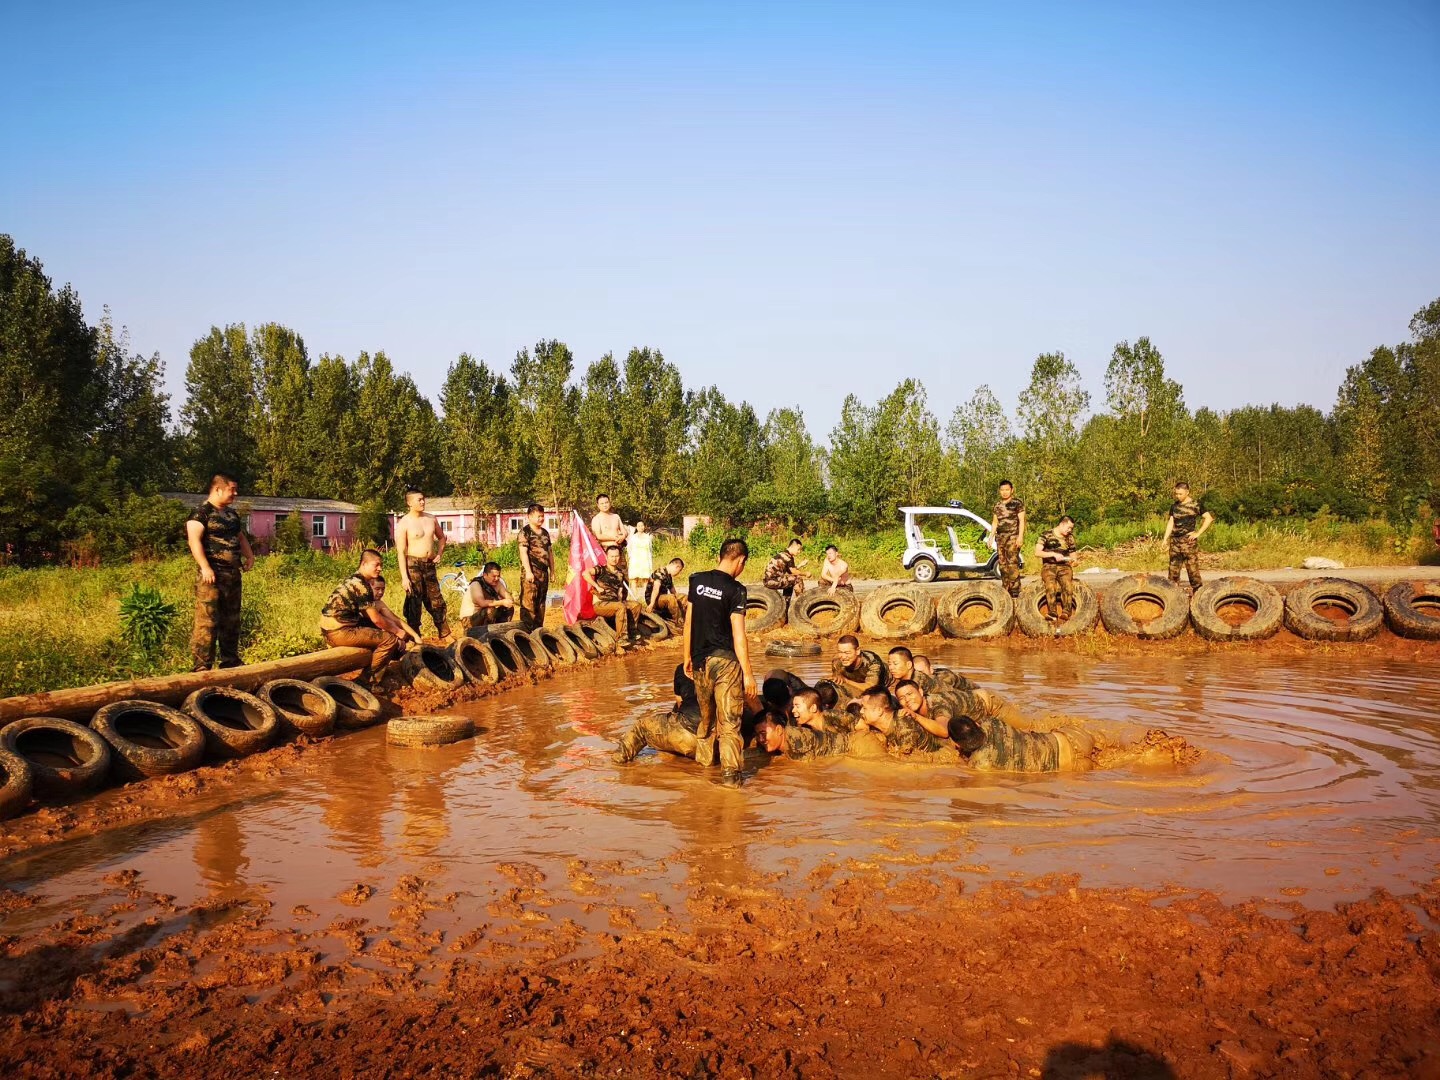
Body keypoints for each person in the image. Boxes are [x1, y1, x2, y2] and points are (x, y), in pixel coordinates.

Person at [683, 537, 758, 787]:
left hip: (700, 661)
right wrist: (748, 673)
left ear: (720, 556)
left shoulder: (697, 580)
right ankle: (731, 778)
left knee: (707, 720)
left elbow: (689, 622)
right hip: (726, 662)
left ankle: (704, 769)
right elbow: (739, 634)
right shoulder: (736, 589)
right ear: (741, 560)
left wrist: (686, 657)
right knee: (729, 723)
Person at [319, 549, 421, 688]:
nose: (380, 568)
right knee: (389, 640)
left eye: (381, 565)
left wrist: (406, 632)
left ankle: (383, 663)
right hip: (339, 632)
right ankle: (368, 682)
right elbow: (377, 620)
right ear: (364, 564)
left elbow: (375, 617)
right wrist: (397, 632)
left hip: (332, 629)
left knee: (383, 631)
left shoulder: (355, 580)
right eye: (376, 565)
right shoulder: (361, 585)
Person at [186, 472, 254, 671]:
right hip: (211, 578)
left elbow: (240, 538)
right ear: (218, 489)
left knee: (232, 619)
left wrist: (249, 556)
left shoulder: (232, 515)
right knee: (207, 621)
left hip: (232, 576)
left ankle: (230, 661)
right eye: (232, 489)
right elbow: (194, 541)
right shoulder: (201, 513)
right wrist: (205, 567)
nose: (235, 493)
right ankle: (201, 666)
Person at [613, 665, 702, 763]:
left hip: (688, 733)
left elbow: (679, 703)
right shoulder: (719, 670)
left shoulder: (683, 669)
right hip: (713, 743)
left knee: (640, 728)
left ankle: (617, 762)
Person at [395, 487, 450, 641]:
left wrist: (439, 553)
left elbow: (442, 538)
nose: (423, 501)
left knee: (436, 599)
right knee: (414, 600)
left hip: (429, 564)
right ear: (409, 503)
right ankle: (414, 637)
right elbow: (401, 552)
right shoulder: (404, 523)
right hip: (413, 564)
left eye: (423, 498)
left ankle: (444, 632)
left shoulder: (431, 518)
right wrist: (404, 577)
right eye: (419, 500)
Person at [856, 688, 962, 763]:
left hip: (945, 754)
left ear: (879, 711)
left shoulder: (904, 727)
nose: (861, 711)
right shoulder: (885, 722)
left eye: (864, 708)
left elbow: (905, 764)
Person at [586, 545, 643, 651]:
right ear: (607, 557)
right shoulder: (600, 569)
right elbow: (585, 573)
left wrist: (625, 604)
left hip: (615, 603)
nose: (614, 559)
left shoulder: (620, 574)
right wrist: (597, 587)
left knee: (636, 605)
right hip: (601, 604)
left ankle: (632, 632)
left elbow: (620, 592)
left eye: (617, 556)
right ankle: (621, 638)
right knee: (620, 607)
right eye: (612, 556)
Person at [1163, 482, 1214, 592]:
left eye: (1180, 494)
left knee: (1192, 570)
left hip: (1188, 542)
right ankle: (1173, 595)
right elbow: (1171, 522)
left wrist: (1198, 533)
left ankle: (1198, 595)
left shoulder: (1196, 505)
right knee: (1173, 571)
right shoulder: (1174, 506)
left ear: (1187, 492)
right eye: (1176, 494)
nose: (1178, 496)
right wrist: (1165, 538)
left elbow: (1208, 518)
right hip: (1175, 541)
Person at [1036, 515, 1079, 622]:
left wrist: (1074, 561)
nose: (1070, 530)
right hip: (1049, 566)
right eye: (1068, 528)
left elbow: (1073, 553)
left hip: (1064, 566)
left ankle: (1066, 612)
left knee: (1068, 586)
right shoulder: (1046, 535)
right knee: (1050, 585)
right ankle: (1052, 612)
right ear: (1062, 524)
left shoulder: (1070, 538)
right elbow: (1037, 552)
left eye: (1071, 529)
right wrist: (1053, 554)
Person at [517, 503, 553, 630]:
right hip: (532, 571)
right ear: (530, 516)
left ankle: (538, 631)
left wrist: (552, 571)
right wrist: (528, 572)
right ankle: (526, 633)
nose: (541, 519)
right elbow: (523, 553)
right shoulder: (525, 532)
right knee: (529, 604)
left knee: (541, 603)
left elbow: (549, 553)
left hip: (544, 573)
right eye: (538, 516)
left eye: (542, 516)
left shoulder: (545, 533)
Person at [990, 480, 1026, 599]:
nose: (1004, 492)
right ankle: (1006, 589)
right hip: (1000, 538)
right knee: (1002, 565)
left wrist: (1020, 536)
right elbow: (995, 522)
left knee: (1012, 564)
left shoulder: (1017, 503)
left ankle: (1015, 590)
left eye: (1007, 490)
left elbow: (1022, 520)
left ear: (1011, 490)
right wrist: (990, 537)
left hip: (1013, 537)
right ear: (999, 491)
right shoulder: (997, 505)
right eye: (1002, 490)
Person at [461, 561, 514, 631]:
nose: (497, 579)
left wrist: (507, 601)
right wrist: (501, 602)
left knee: (508, 608)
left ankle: (501, 630)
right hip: (469, 620)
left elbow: (509, 598)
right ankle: (486, 633)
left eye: (498, 576)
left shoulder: (497, 583)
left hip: (485, 615)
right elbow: (482, 603)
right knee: (490, 609)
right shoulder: (476, 584)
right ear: (485, 575)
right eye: (494, 576)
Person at [831, 635, 888, 699]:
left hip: (883, 681)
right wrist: (837, 676)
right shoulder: (836, 661)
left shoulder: (873, 661)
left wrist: (846, 681)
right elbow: (836, 676)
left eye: (847, 653)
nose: (843, 657)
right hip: (856, 681)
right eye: (840, 652)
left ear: (857, 651)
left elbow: (871, 688)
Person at [591, 494, 628, 578]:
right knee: (608, 576)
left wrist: (623, 536)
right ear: (598, 505)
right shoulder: (597, 519)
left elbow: (624, 531)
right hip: (605, 550)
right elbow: (598, 536)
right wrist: (614, 537)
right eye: (602, 503)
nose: (605, 505)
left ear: (610, 503)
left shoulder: (616, 516)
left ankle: (624, 591)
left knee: (623, 575)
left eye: (606, 502)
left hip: (618, 549)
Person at [762, 538, 807, 604]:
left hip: (769, 580)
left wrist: (800, 565)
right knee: (797, 579)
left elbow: (790, 571)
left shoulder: (784, 554)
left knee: (790, 581)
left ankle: (786, 603)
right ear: (793, 546)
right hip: (772, 580)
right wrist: (805, 574)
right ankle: (800, 603)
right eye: (798, 549)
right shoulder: (788, 557)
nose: (799, 552)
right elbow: (794, 572)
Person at [628, 520, 654, 601]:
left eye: (642, 525)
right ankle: (634, 597)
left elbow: (650, 549)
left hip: (645, 559)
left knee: (645, 578)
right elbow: (629, 549)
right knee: (634, 578)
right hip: (635, 559)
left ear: (644, 527)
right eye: (639, 526)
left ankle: (644, 596)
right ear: (636, 527)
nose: (641, 527)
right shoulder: (633, 537)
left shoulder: (647, 537)